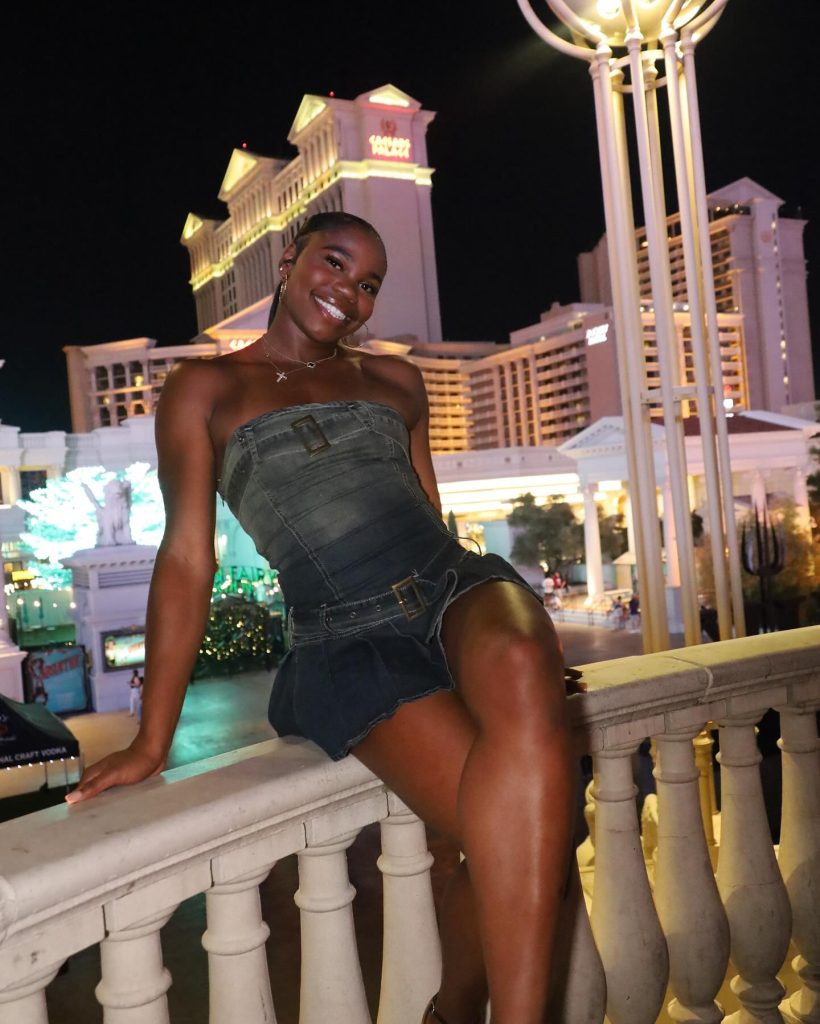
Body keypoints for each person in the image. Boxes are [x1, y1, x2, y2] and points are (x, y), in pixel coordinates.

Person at [66, 212, 576, 1024]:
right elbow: (188, 559)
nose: (348, 291)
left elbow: (427, 515)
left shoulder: (395, 383)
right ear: (288, 258)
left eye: (368, 284)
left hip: (455, 590)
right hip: (346, 637)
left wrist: (499, 676)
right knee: (529, 839)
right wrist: (152, 740)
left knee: (519, 664)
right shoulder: (205, 390)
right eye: (335, 263)